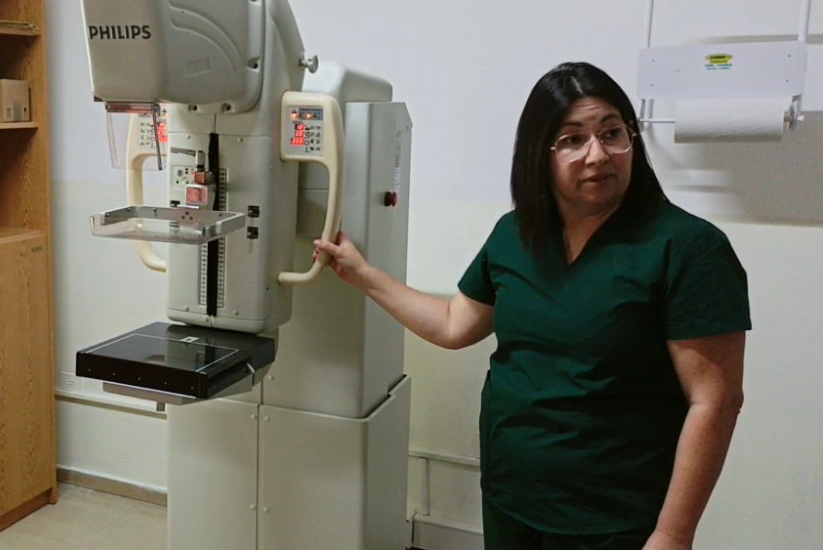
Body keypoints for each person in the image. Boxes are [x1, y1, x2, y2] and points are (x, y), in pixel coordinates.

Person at [315, 61, 749, 550]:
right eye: (572, 139)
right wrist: (364, 275)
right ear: (539, 153)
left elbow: (714, 401)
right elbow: (455, 324)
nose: (597, 155)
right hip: (510, 497)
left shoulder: (688, 248)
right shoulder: (516, 233)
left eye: (612, 132)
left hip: (614, 519)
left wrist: (673, 532)